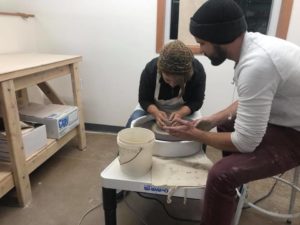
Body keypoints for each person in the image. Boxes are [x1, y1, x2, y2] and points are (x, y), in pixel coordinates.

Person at [164, 1, 300, 225]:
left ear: (219, 36)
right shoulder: (253, 44)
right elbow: (249, 101)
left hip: (295, 132)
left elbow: (246, 142)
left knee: (220, 175)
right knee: (226, 125)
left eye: (202, 43)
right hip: (288, 118)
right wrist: (210, 120)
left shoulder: (257, 64)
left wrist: (195, 135)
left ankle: (226, 190)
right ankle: (232, 197)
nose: (201, 50)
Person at [126, 40, 206, 128]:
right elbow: (144, 100)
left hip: (184, 110)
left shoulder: (197, 71)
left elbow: (197, 101)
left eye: (179, 82)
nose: (172, 85)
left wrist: (180, 113)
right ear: (161, 71)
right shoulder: (151, 70)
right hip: (153, 107)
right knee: (133, 124)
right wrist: (156, 113)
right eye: (167, 80)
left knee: (200, 131)